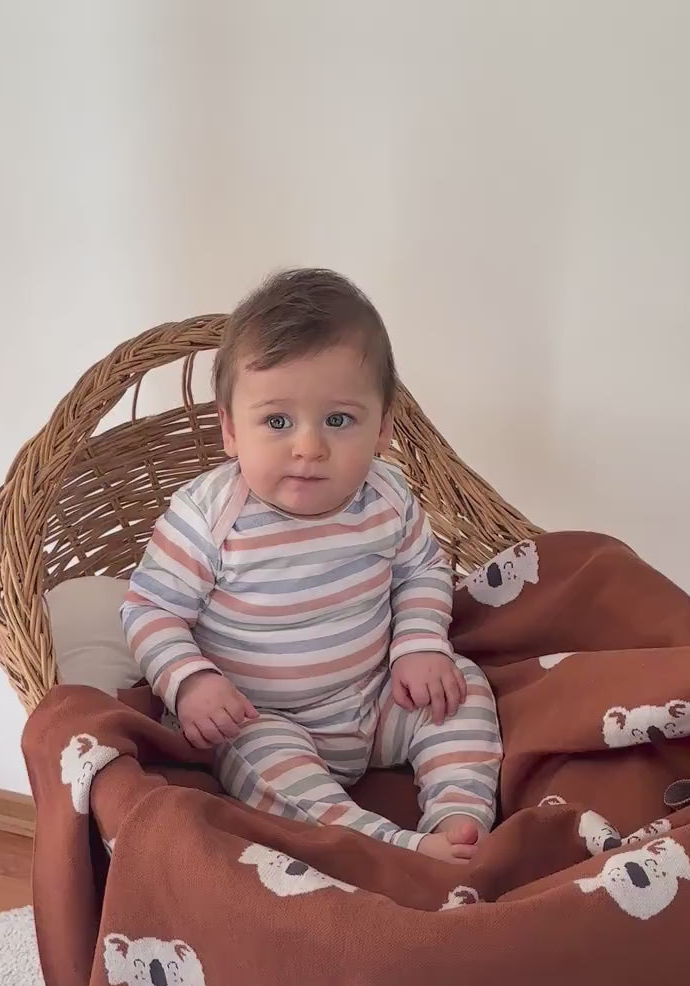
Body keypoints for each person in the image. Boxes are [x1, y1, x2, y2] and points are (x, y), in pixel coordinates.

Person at [121, 269, 502, 863]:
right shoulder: (208, 516)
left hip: (376, 700)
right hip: (263, 717)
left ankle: (459, 818)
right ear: (229, 430)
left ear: (383, 427)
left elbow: (423, 572)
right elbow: (149, 608)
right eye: (277, 422)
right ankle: (389, 849)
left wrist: (420, 646)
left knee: (462, 688)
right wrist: (192, 682)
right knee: (260, 763)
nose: (308, 447)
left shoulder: (389, 496)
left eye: (339, 420)